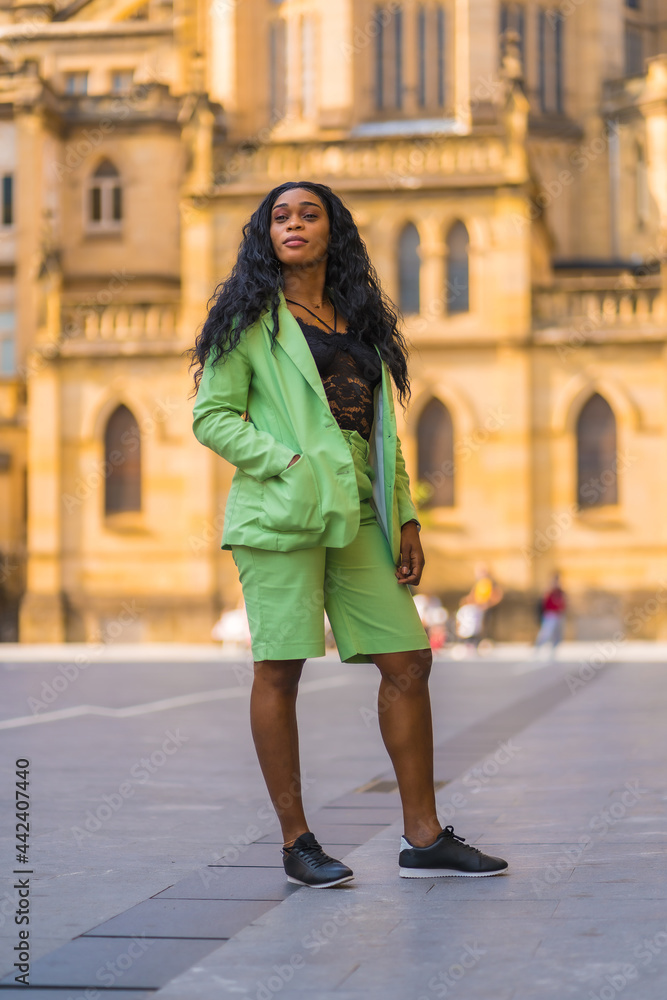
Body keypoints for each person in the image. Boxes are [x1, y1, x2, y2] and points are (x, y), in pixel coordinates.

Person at [188, 181, 508, 887]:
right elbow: (211, 416)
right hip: (282, 513)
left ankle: (422, 838)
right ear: (264, 233)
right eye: (280, 216)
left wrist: (406, 519)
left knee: (408, 662)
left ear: (333, 231)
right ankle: (296, 840)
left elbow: (381, 432)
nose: (294, 224)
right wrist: (289, 464)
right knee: (280, 667)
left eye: (309, 214)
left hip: (361, 514)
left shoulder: (359, 321)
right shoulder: (247, 317)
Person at [458, 563, 504, 650]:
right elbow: (473, 595)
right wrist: (466, 601)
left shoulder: (492, 583)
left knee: (487, 625)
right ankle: (473, 639)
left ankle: (486, 641)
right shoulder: (479, 583)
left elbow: (498, 595)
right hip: (478, 608)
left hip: (488, 608)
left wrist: (488, 604)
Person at [535, 572, 567, 652]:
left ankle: (554, 647)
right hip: (550, 614)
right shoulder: (549, 592)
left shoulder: (561, 592)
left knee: (557, 634)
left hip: (559, 614)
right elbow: (543, 603)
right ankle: (538, 646)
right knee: (546, 632)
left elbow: (564, 603)